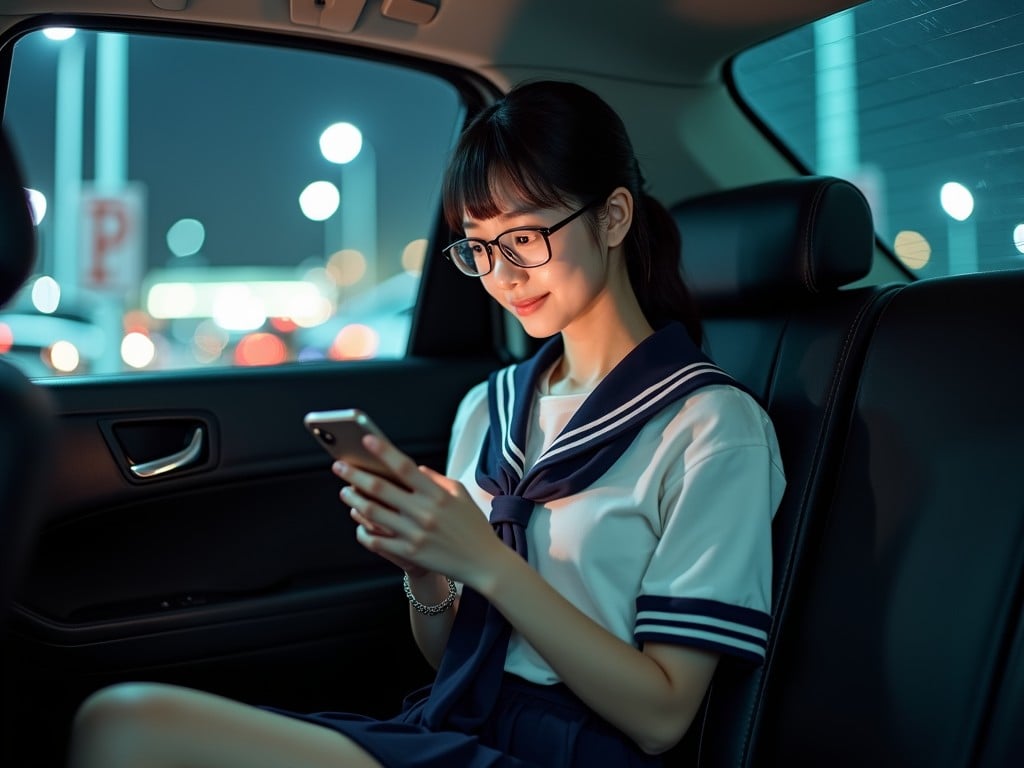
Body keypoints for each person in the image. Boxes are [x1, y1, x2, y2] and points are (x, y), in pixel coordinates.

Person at [67, 79, 785, 768]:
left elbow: (663, 719)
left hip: (580, 750)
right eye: (478, 246)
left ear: (614, 217)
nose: (502, 274)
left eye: (526, 237)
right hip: (456, 718)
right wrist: (430, 573)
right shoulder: (493, 405)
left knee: (127, 725)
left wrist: (486, 561)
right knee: (124, 721)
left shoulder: (711, 428)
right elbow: (452, 655)